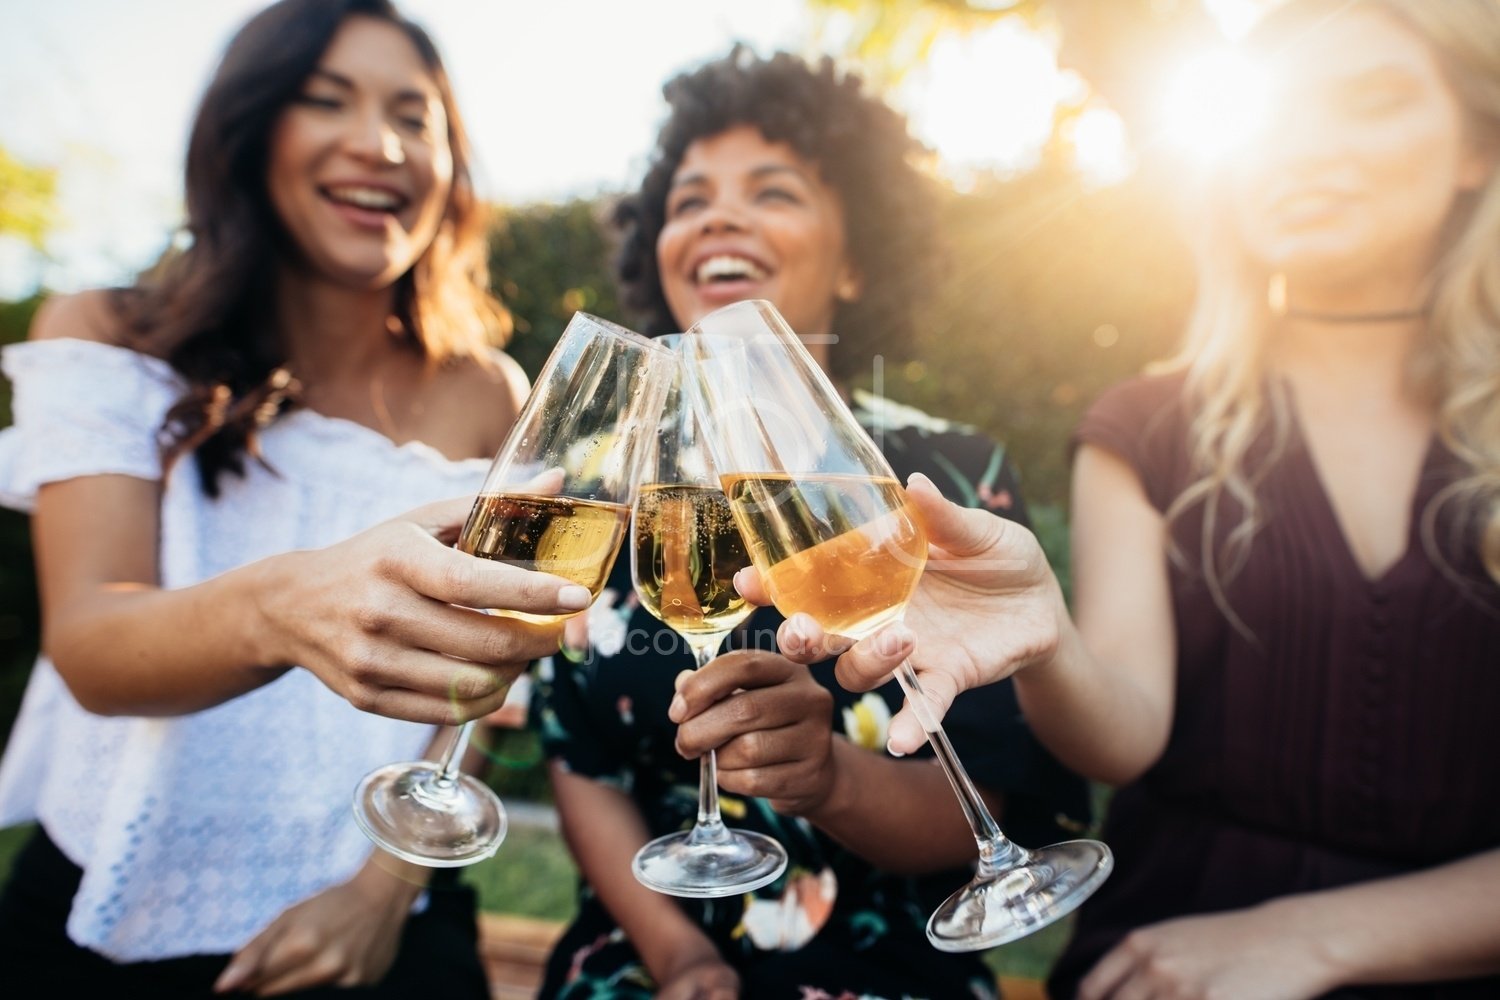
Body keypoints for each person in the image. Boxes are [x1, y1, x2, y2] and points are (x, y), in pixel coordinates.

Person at [758, 2, 1500, 997]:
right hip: (1165, 953)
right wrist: (1053, 641)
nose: (1307, 144)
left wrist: (1313, 935)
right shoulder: (1149, 423)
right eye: (1275, 113)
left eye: (1369, 102)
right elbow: (1127, 729)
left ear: (1476, 143)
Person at [0, 1, 590, 995]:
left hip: (393, 926)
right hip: (109, 914)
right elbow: (93, 647)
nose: (380, 144)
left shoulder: (487, 390)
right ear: (250, 133)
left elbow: (495, 674)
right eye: (328, 101)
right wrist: (285, 605)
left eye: (415, 115)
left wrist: (384, 889)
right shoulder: (109, 334)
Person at [531, 47, 1092, 1000]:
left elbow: (990, 787)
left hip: (897, 960)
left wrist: (828, 777)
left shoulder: (944, 475)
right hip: (650, 963)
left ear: (860, 254)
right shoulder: (594, 493)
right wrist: (681, 957)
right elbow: (576, 761)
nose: (718, 214)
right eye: (688, 197)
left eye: (774, 191)